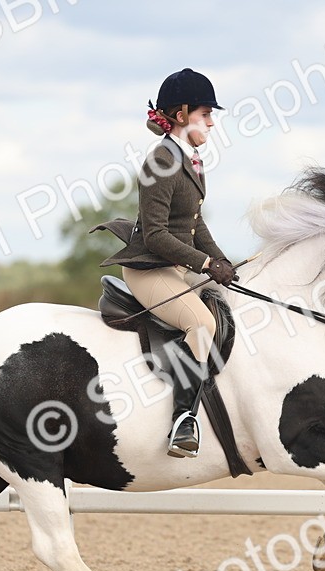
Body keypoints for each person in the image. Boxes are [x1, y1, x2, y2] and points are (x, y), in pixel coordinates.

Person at [100, 68, 236, 459]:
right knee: (202, 322)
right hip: (150, 269)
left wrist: (223, 261)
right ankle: (183, 421)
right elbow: (158, 234)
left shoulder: (189, 160)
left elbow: (195, 223)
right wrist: (207, 262)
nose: (211, 122)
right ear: (180, 115)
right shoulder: (160, 161)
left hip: (175, 266)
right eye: (205, 113)